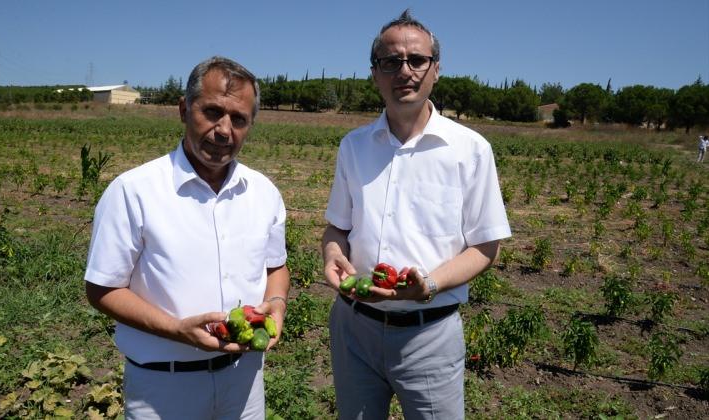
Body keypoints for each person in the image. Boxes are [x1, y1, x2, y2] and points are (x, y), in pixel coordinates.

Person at [321, 10, 511, 419]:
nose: (404, 71)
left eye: (416, 60)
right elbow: (338, 227)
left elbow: (486, 246)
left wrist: (428, 283)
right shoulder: (353, 146)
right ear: (375, 73)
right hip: (354, 327)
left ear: (436, 70)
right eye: (391, 61)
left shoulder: (469, 149)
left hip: (430, 333)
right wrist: (333, 254)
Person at [84, 56, 289, 419]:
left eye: (239, 119)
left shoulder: (263, 193)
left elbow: (276, 266)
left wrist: (276, 300)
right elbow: (102, 289)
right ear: (184, 109)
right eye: (212, 112)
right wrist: (178, 330)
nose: (224, 130)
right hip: (164, 387)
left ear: (251, 124)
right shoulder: (134, 191)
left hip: (244, 380)